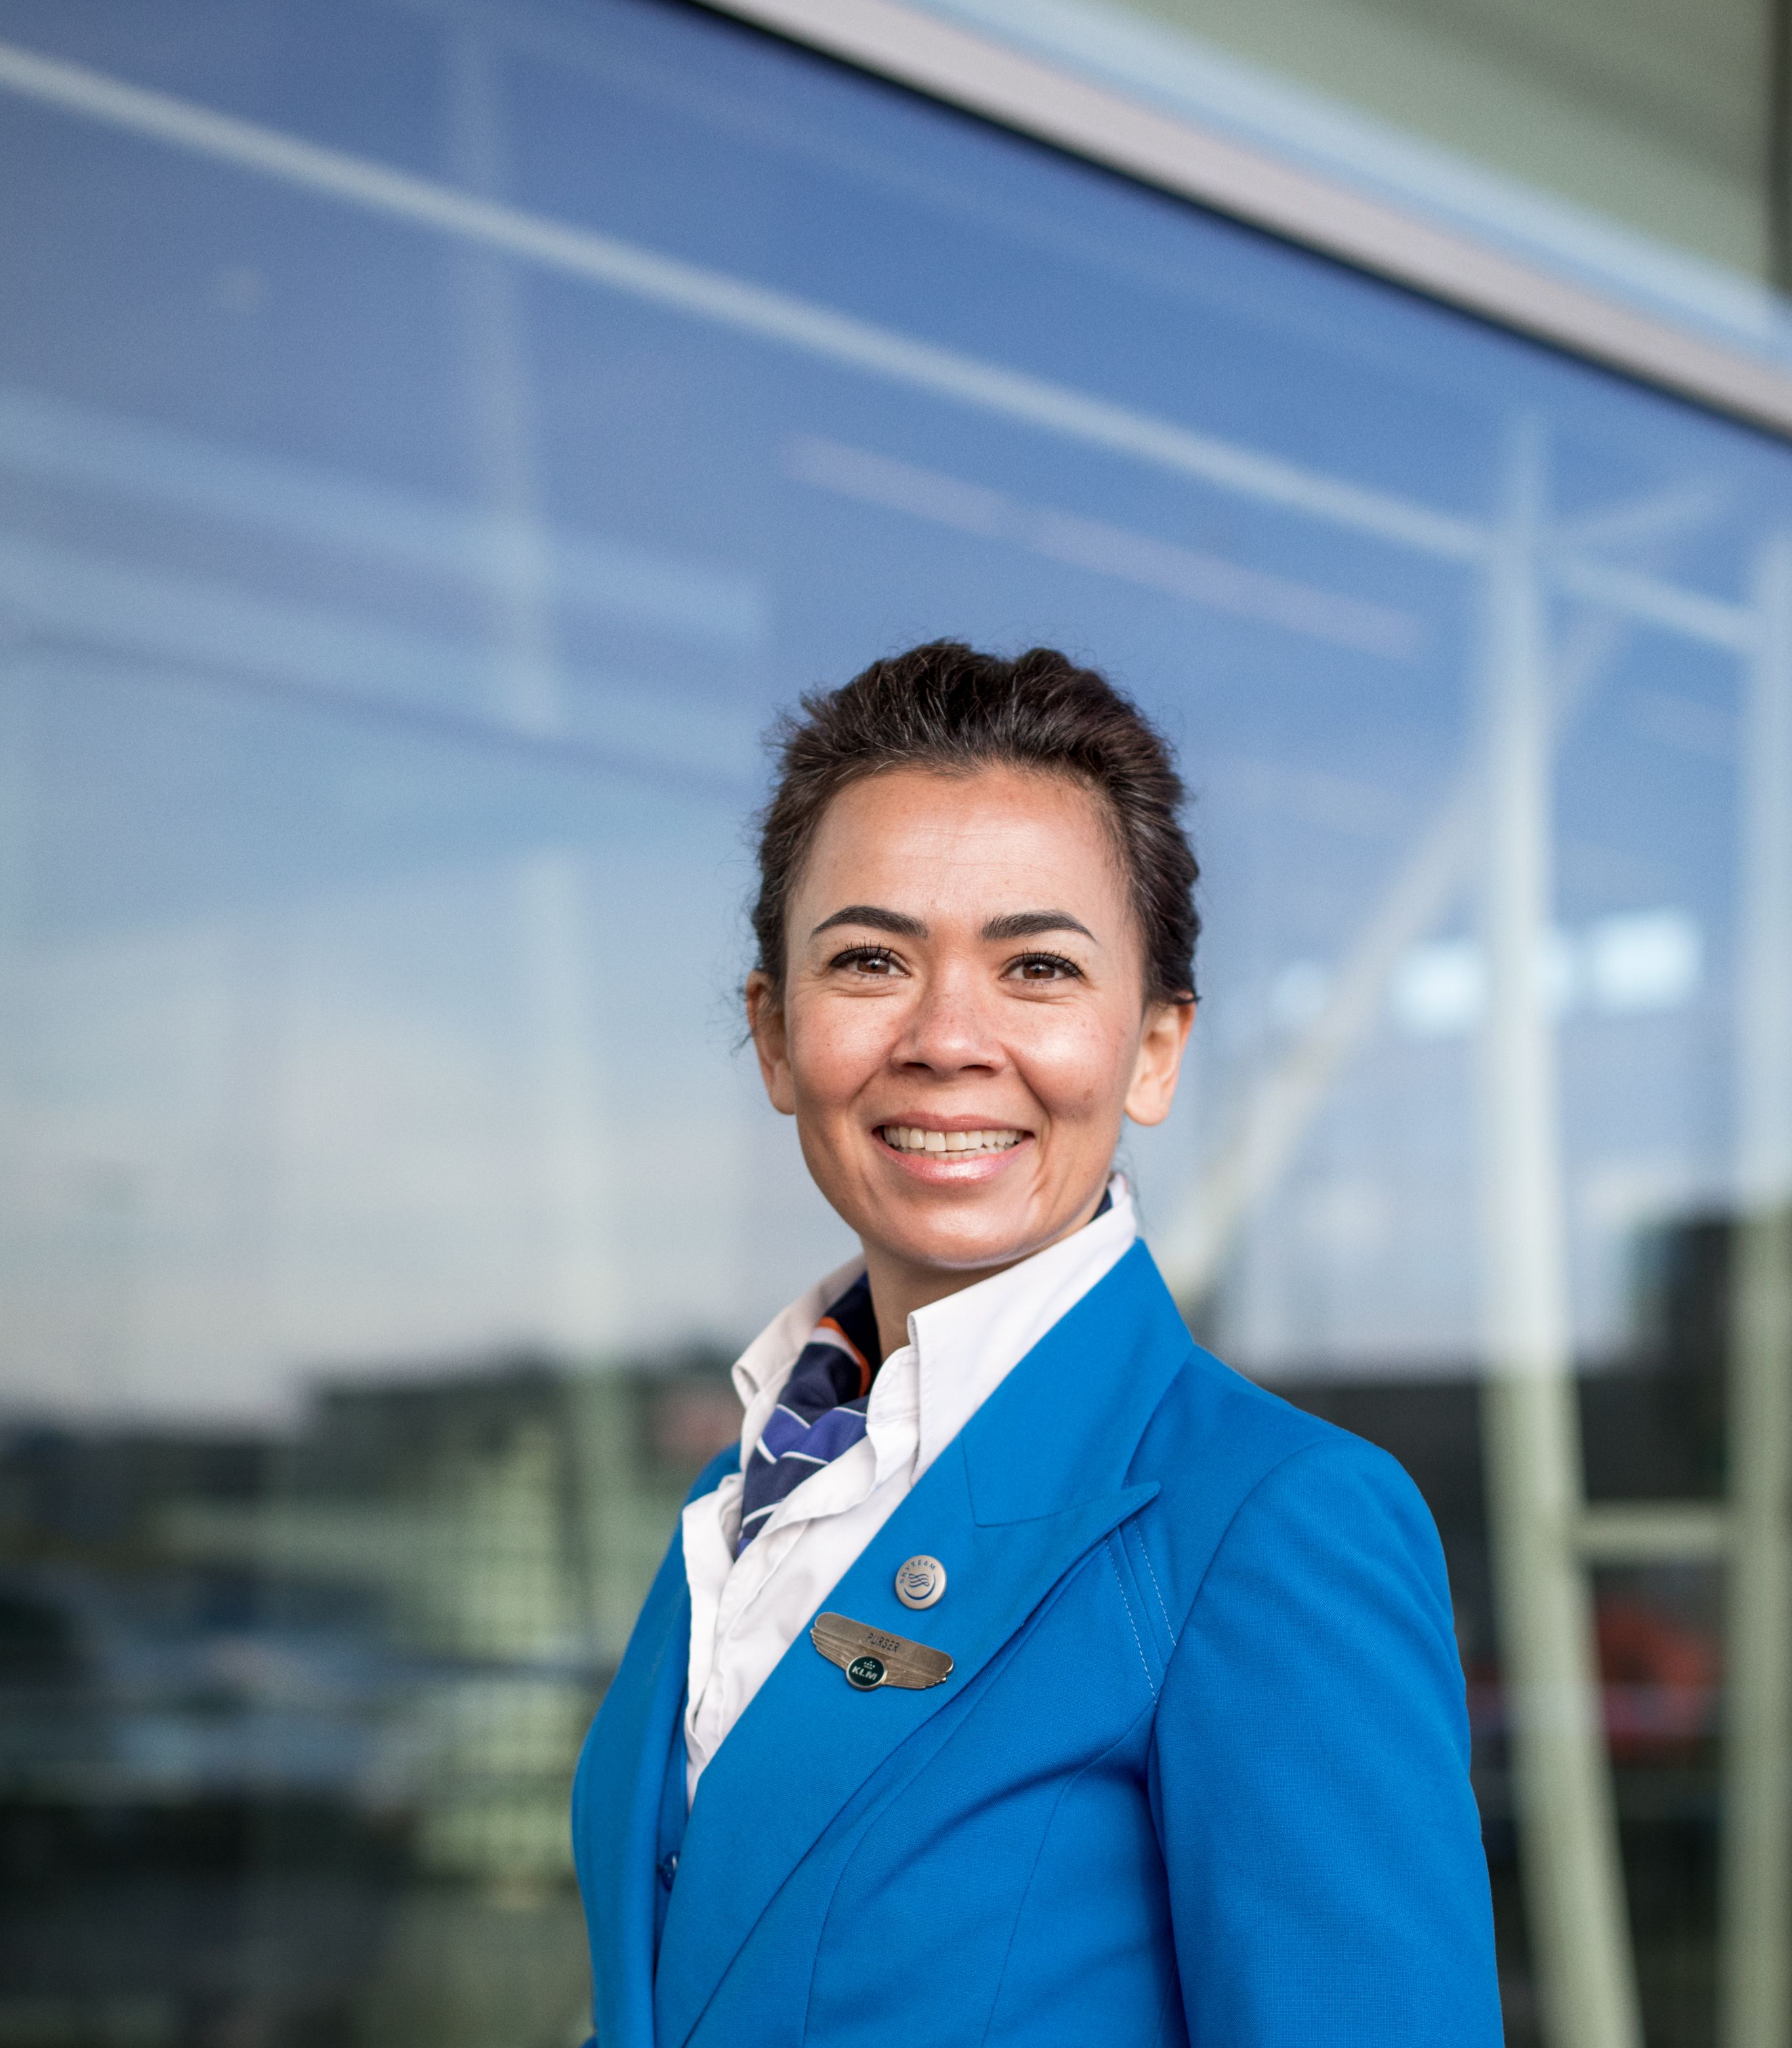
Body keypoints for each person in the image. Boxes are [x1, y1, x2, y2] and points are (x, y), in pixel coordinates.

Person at [571, 642, 1502, 2047]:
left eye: (1038, 966)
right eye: (871, 959)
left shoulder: (1272, 1522)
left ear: (1154, 1048)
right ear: (773, 1033)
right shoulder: (741, 1506)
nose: (948, 1037)